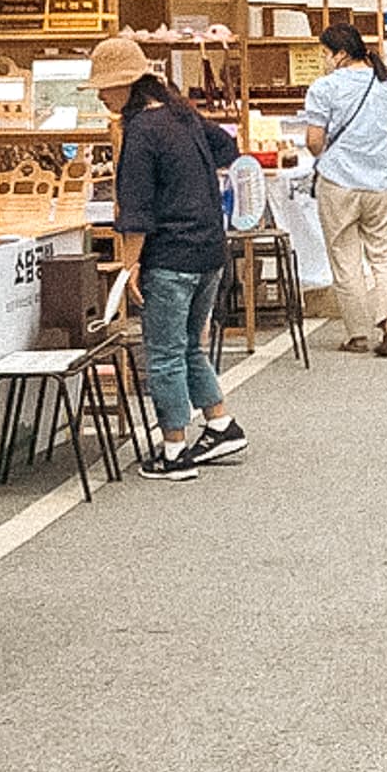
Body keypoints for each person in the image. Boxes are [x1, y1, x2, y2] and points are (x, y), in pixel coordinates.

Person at [88, 36, 246, 478]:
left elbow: (135, 210)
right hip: (209, 248)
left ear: (127, 86)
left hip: (170, 255)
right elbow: (226, 148)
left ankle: (174, 449)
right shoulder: (180, 114)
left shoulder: (140, 131)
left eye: (105, 87)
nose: (101, 95)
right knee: (188, 345)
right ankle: (220, 423)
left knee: (163, 353)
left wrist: (129, 263)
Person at [304, 20, 387, 353]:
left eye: (325, 53)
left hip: (339, 182)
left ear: (340, 54)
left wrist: (327, 153)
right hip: (382, 182)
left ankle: (357, 334)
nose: (323, 59)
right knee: (385, 255)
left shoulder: (324, 88)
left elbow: (314, 141)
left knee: (344, 256)